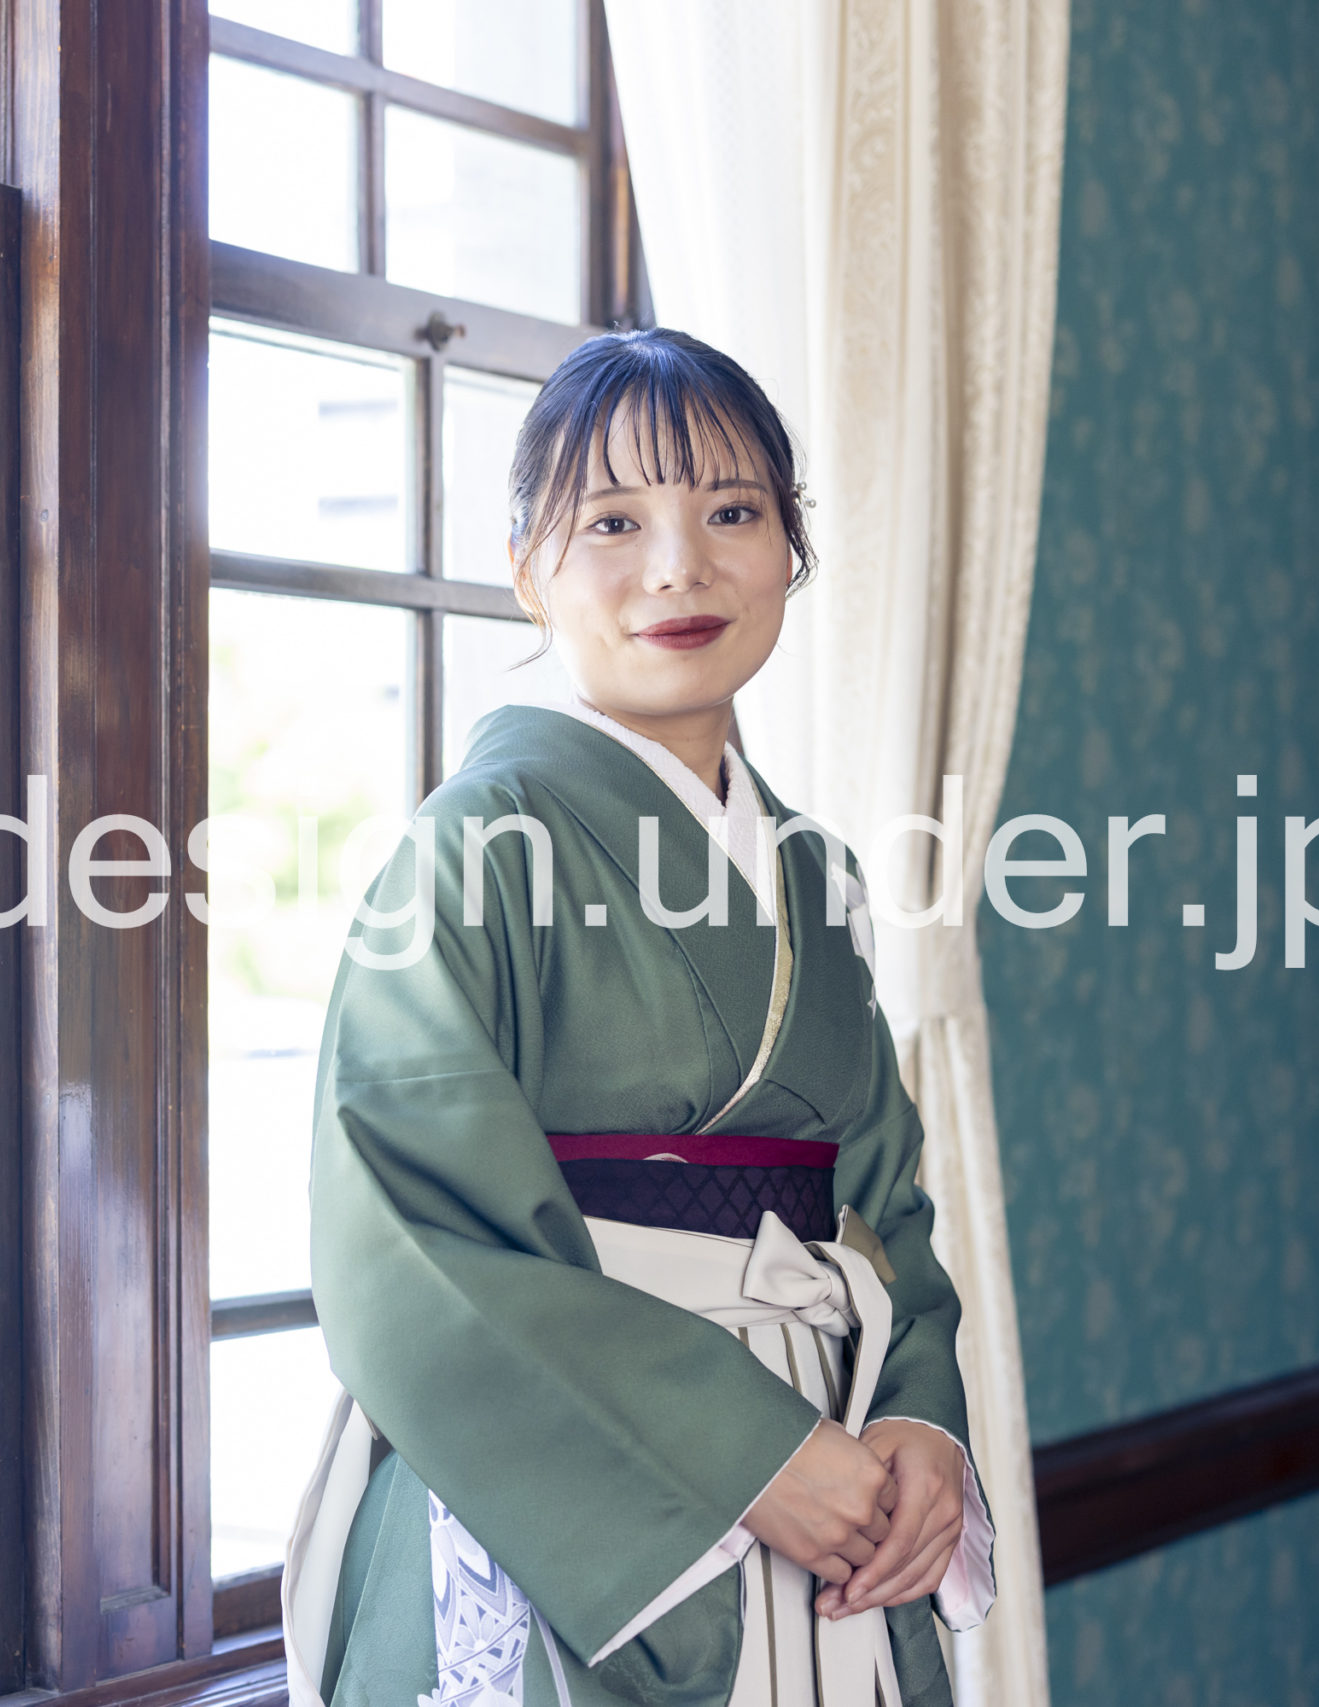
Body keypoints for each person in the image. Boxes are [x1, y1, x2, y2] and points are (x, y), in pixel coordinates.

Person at [280, 329, 994, 1707]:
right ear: (527, 568)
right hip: (591, 1498)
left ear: (789, 548)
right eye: (613, 522)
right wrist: (744, 1455)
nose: (679, 567)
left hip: (839, 1480)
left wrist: (918, 1420)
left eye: (733, 512)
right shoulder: (471, 850)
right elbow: (406, 1241)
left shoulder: (815, 873)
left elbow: (883, 1206)